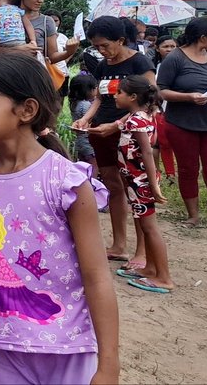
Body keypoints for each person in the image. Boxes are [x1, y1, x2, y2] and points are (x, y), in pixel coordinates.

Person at [0, 53, 119, 385]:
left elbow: (97, 277)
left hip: (66, 346)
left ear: (27, 110)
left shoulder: (66, 182)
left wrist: (109, 365)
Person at [72, 16, 156, 268]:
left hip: (130, 134)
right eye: (96, 46)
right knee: (113, 186)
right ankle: (119, 245)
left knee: (134, 189)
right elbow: (99, 98)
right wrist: (85, 119)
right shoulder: (103, 66)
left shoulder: (140, 62)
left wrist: (118, 124)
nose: (101, 51)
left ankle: (142, 251)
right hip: (102, 131)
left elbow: (150, 101)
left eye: (105, 45)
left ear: (120, 40)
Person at [156, 17, 207, 231]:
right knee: (188, 169)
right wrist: (188, 97)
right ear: (202, 37)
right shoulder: (175, 58)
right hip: (182, 124)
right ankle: (193, 216)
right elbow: (161, 91)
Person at [111, 76, 174, 293]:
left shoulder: (136, 120)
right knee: (145, 226)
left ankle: (164, 277)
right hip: (136, 182)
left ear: (133, 97)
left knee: (150, 228)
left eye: (119, 92)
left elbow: (147, 152)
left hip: (141, 182)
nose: (115, 96)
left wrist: (153, 185)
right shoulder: (141, 116)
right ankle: (150, 268)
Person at [151, 35, 178, 179]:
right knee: (162, 143)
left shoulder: (182, 65)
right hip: (160, 109)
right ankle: (166, 172)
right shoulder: (153, 67)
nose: (169, 49)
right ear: (157, 48)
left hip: (179, 109)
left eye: (173, 46)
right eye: (165, 46)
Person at [68, 74, 99, 169]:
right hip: (88, 142)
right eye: (94, 88)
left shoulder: (74, 103)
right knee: (93, 167)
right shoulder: (85, 105)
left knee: (83, 168)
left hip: (80, 142)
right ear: (88, 90)